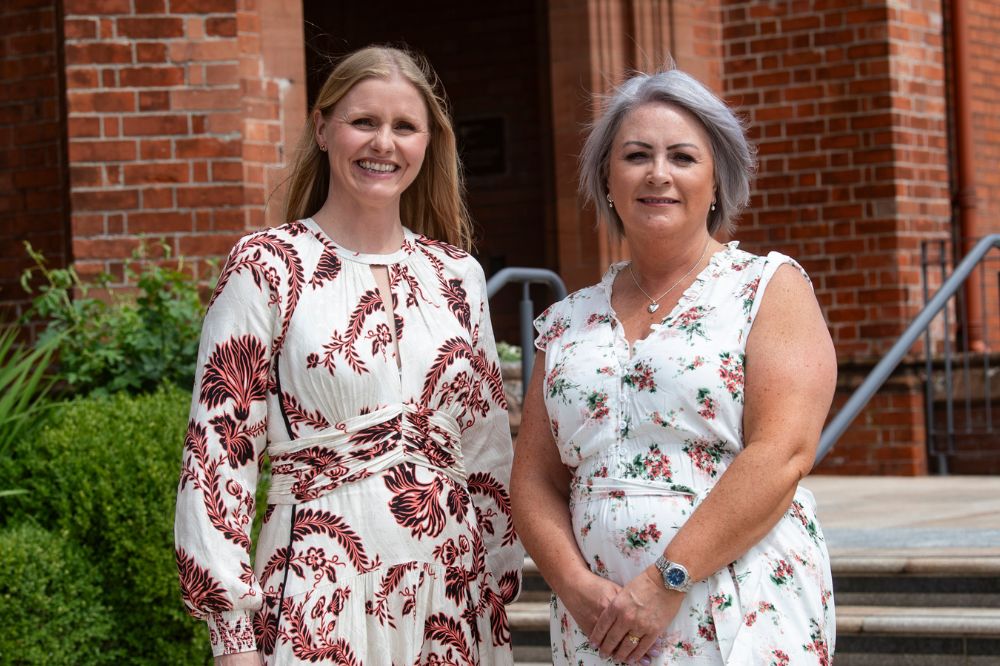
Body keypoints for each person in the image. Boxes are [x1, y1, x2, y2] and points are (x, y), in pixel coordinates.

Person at [175, 45, 523, 665]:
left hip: (448, 595)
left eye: (404, 127)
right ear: (322, 127)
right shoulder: (268, 266)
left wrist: (493, 604)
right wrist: (234, 641)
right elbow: (219, 454)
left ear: (427, 144)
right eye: (364, 122)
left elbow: (488, 456)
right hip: (318, 588)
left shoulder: (456, 276)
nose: (383, 143)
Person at [511, 68, 837, 665]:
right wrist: (577, 590)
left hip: (734, 599)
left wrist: (664, 583)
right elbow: (534, 481)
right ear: (608, 179)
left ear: (716, 182)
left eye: (682, 157)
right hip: (601, 623)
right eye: (637, 155)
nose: (658, 173)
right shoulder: (565, 322)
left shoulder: (767, 288)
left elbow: (783, 452)